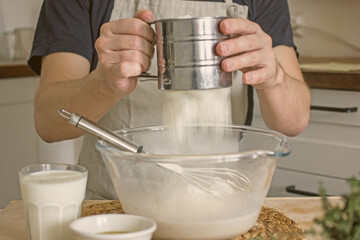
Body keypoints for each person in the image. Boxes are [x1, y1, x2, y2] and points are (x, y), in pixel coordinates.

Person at [28, 0, 311, 199]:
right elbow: (48, 123)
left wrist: (274, 78)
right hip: (113, 207)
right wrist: (106, 83)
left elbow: (295, 120)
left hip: (216, 199)